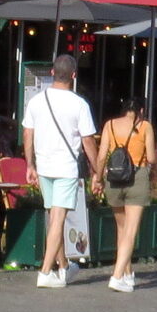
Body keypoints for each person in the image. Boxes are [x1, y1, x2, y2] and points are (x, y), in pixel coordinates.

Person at [21, 54, 99, 289]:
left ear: (52, 72)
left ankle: (63, 266)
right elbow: (88, 141)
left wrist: (30, 164)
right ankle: (45, 271)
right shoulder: (79, 104)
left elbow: (28, 134)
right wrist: (97, 169)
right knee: (58, 218)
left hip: (44, 165)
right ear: (74, 76)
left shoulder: (36, 101)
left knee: (53, 216)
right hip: (66, 166)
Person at [91, 97, 154, 293]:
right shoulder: (145, 126)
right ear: (140, 110)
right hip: (137, 177)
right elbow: (151, 157)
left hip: (114, 179)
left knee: (121, 229)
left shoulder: (109, 125)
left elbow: (101, 156)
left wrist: (98, 178)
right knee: (131, 230)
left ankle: (128, 273)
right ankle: (117, 275)